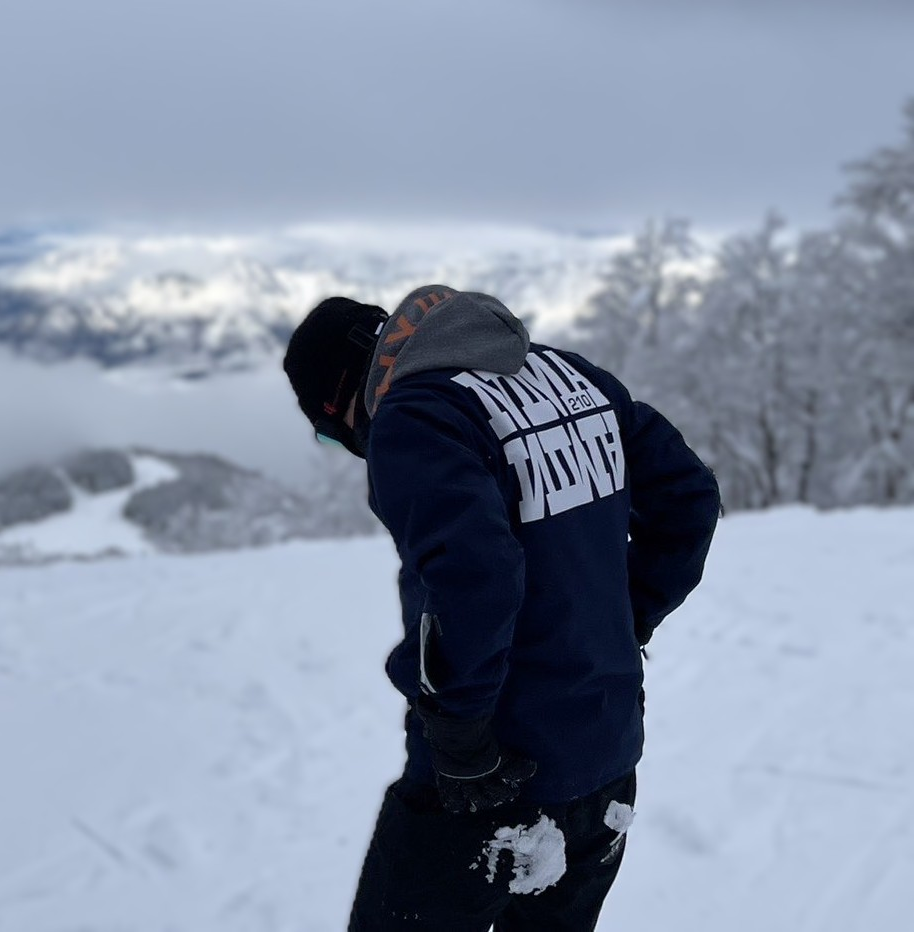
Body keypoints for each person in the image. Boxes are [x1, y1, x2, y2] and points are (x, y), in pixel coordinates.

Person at [282, 286, 721, 931]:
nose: (354, 447)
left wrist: (461, 732)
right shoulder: (571, 377)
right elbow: (689, 498)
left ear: (339, 397)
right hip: (605, 760)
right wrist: (621, 623)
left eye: (333, 435)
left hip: (492, 778)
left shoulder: (414, 416)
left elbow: (475, 576)